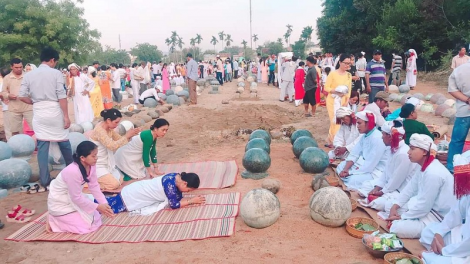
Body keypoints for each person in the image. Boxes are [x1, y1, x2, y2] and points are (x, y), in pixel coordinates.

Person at [19, 47, 73, 190]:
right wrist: (66, 116)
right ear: (52, 60)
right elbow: (61, 96)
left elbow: (22, 95)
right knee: (64, 142)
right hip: (54, 110)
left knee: (43, 145)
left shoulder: (29, 75)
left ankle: (45, 179)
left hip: (39, 110)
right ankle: (73, 173)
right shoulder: (55, 73)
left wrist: (33, 102)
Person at [385, 134, 456, 239]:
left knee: (396, 227)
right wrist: (395, 205)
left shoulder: (433, 173)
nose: (408, 152)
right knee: (388, 206)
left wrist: (401, 217)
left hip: (436, 217)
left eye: (412, 149)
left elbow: (424, 206)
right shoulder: (424, 166)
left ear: (424, 152)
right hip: (425, 209)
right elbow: (410, 188)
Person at [47, 141, 114, 234]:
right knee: (86, 228)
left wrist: (105, 205)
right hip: (60, 201)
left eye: (96, 155)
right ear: (82, 158)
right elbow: (76, 197)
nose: (96, 158)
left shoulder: (92, 165)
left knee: (96, 220)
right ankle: (54, 220)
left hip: (73, 197)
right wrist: (97, 207)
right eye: (93, 156)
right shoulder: (73, 171)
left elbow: (94, 186)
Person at [357, 120, 418, 210]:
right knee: (365, 186)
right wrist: (377, 188)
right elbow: (386, 173)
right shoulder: (392, 148)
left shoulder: (403, 153)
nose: (381, 137)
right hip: (388, 185)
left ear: (390, 137)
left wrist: (382, 192)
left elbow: (396, 181)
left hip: (399, 189)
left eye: (383, 134)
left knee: (379, 204)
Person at [105, 172, 205, 215]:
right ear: (185, 183)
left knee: (109, 202)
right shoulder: (170, 185)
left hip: (137, 189)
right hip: (133, 196)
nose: (187, 192)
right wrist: (191, 201)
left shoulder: (177, 176)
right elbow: (174, 205)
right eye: (188, 190)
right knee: (109, 208)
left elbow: (177, 196)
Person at [337, 110, 388, 191]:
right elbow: (354, 154)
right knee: (340, 167)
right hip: (363, 166)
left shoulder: (378, 138)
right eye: (357, 123)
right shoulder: (364, 136)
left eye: (359, 123)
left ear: (369, 123)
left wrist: (350, 172)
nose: (357, 126)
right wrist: (345, 169)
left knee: (352, 180)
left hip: (376, 171)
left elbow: (370, 165)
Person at [89, 109, 140, 190]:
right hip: (97, 164)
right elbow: (111, 146)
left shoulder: (109, 129)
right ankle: (91, 183)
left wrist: (131, 135)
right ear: (108, 120)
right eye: (116, 122)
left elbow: (119, 140)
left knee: (120, 180)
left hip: (107, 163)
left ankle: (97, 180)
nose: (117, 125)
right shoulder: (100, 130)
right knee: (114, 185)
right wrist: (126, 136)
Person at [419, 195, 470, 263]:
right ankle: (434, 255)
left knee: (436, 262)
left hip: (467, 253)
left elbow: (467, 246)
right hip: (460, 239)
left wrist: (444, 251)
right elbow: (457, 211)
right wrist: (439, 233)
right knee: (427, 233)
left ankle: (431, 256)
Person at [447, 59, 470, 172]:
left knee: (457, 140)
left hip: (463, 111)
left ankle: (452, 168)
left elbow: (452, 90)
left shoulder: (459, 70)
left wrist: (468, 100)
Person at [324, 54, 353, 146]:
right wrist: (336, 92)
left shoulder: (349, 75)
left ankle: (331, 139)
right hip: (333, 100)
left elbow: (349, 90)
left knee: (342, 120)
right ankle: (334, 141)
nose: (347, 65)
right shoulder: (333, 74)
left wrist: (347, 100)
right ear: (340, 62)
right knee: (335, 120)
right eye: (345, 63)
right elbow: (326, 88)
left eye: (349, 64)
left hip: (343, 100)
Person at [1, 58, 33, 136]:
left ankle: (37, 146)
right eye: (16, 67)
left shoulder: (28, 76)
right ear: (11, 67)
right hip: (14, 109)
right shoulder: (7, 78)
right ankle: (18, 147)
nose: (19, 69)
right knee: (15, 131)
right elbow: (3, 92)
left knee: (35, 128)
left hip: (28, 107)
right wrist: (8, 95)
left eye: (20, 67)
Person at [0, 68, 12, 140]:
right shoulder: (13, 82)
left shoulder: (2, 84)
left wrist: (3, 99)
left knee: (8, 129)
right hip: (17, 108)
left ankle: (11, 145)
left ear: (1, 74)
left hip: (6, 108)